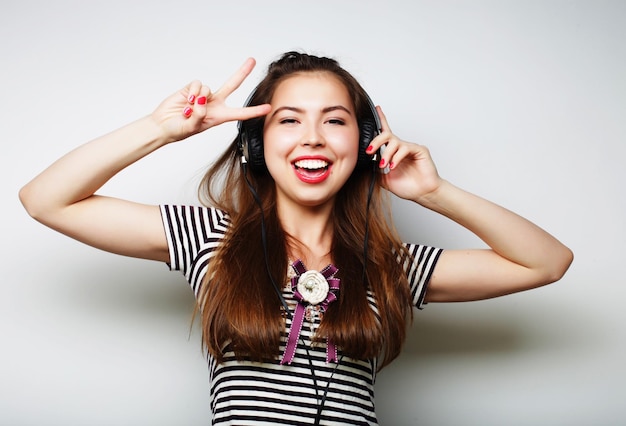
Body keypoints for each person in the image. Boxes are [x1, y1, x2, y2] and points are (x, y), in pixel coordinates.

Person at [19, 51, 573, 425]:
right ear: (257, 144)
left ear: (364, 143)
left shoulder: (390, 264)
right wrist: (159, 130)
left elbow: (546, 262)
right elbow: (46, 199)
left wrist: (433, 192)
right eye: (288, 121)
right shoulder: (209, 239)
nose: (313, 137)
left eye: (334, 121)